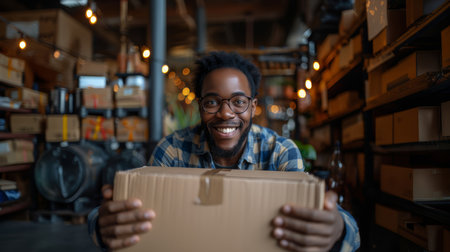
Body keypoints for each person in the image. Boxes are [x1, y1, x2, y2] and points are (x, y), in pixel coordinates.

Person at [88, 51, 360, 251]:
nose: (225, 112)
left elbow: (346, 232)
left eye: (238, 102)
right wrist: (103, 223)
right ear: (200, 107)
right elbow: (119, 218)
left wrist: (336, 229)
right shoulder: (172, 151)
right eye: (212, 102)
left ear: (253, 107)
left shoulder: (280, 153)